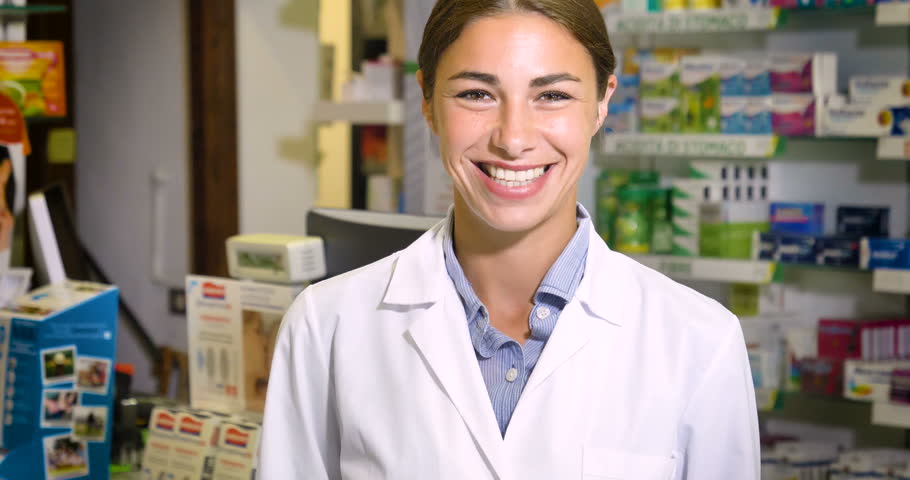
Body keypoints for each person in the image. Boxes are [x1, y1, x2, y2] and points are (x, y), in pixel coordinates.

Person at [259, 0, 760, 478]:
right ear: (428, 103)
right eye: (476, 94)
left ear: (603, 103)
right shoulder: (327, 326)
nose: (513, 138)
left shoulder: (700, 341)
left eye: (553, 95)